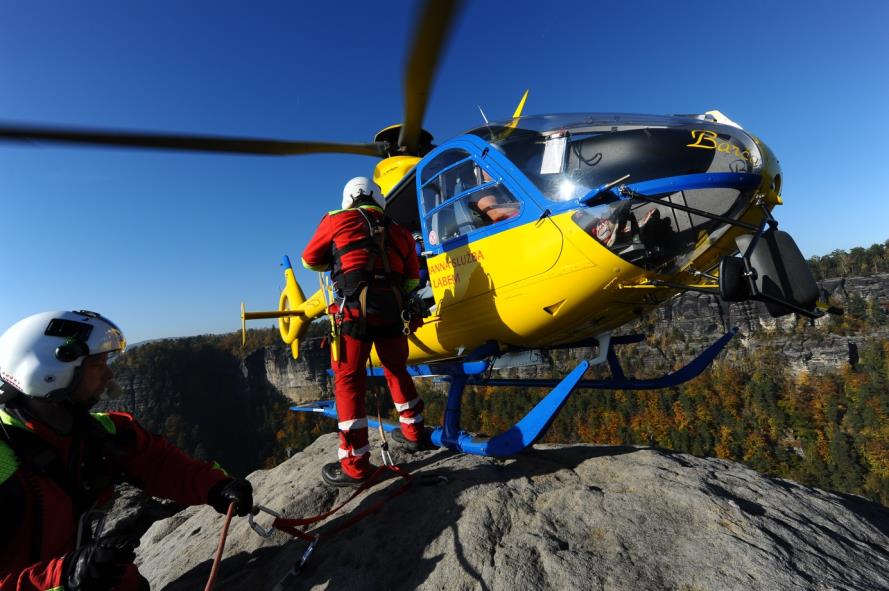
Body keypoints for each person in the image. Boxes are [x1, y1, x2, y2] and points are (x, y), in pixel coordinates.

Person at [0, 310, 253, 591]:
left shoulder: (100, 433)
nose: (109, 375)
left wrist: (216, 486)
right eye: (97, 364)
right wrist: (64, 577)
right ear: (47, 372)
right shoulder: (3, 463)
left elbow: (160, 463)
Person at [301, 177, 428, 487]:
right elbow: (412, 281)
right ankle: (414, 433)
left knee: (348, 383)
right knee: (397, 370)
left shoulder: (335, 220)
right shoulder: (400, 233)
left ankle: (355, 465)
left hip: (352, 317)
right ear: (378, 198)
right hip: (392, 315)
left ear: (349, 198)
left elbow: (309, 260)